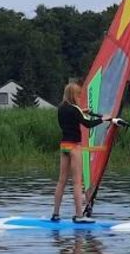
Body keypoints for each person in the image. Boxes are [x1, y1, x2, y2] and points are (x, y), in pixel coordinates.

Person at [52, 81, 122, 222]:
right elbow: (87, 124)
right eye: (78, 94)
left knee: (61, 181)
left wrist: (82, 112)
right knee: (77, 183)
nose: (79, 97)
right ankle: (79, 216)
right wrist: (103, 119)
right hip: (74, 146)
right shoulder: (75, 110)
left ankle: (55, 214)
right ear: (73, 95)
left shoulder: (61, 108)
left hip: (64, 146)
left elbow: (72, 117)